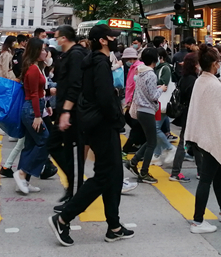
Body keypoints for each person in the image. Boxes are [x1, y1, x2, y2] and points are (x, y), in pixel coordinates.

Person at [49, 24, 134, 246]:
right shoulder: (99, 63)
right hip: (103, 125)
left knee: (114, 176)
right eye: (113, 37)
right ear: (103, 41)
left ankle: (114, 226)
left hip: (98, 125)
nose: (116, 40)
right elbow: (104, 98)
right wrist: (117, 116)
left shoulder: (94, 61)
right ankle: (64, 217)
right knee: (105, 176)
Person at [183, 44, 221, 234]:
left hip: (203, 135)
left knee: (217, 173)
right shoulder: (215, 85)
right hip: (213, 136)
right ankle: (198, 221)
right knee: (207, 178)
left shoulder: (201, 81)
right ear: (215, 64)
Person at [49, 26, 88, 209]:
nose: (55, 41)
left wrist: (66, 111)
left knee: (75, 154)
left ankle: (75, 193)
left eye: (56, 38)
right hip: (64, 110)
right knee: (55, 146)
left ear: (64, 38)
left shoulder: (76, 55)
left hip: (72, 113)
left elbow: (75, 85)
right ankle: (72, 187)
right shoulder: (67, 55)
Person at [13, 38, 50, 194]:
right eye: (42, 49)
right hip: (31, 110)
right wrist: (37, 115)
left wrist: (45, 108)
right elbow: (34, 94)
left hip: (34, 108)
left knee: (30, 144)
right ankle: (22, 173)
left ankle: (24, 181)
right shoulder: (33, 69)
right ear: (35, 51)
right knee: (45, 140)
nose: (45, 52)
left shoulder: (34, 66)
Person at [125, 48, 167, 184]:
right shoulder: (151, 75)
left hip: (140, 109)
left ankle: (134, 161)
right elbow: (153, 95)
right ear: (155, 59)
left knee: (149, 140)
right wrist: (161, 89)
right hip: (147, 110)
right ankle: (144, 172)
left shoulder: (140, 72)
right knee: (152, 143)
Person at [169, 52, 198, 183]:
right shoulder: (192, 80)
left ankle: (201, 170)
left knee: (195, 143)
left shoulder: (184, 77)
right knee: (184, 143)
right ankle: (175, 173)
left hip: (186, 113)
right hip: (190, 114)